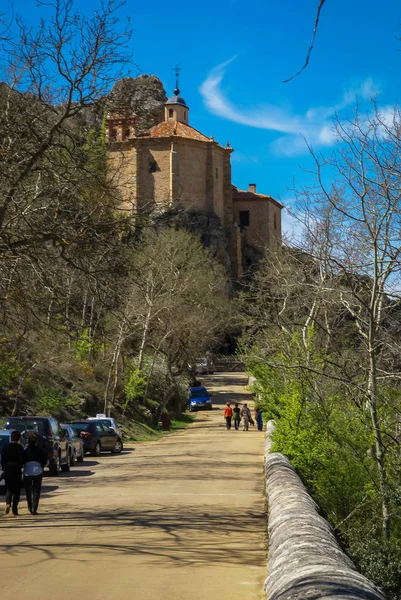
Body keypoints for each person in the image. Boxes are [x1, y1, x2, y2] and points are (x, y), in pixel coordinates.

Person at [23, 433, 47, 515]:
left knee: (28, 490)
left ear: (28, 441)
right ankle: (34, 508)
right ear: (36, 442)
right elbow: (44, 462)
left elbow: (22, 461)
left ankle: (29, 506)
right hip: (38, 471)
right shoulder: (40, 451)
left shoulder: (25, 451)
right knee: (36, 490)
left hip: (27, 472)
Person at [1, 430, 23, 516]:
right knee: (16, 490)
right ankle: (15, 508)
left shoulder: (6, 447)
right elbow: (22, 459)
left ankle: (8, 503)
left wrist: (4, 468)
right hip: (17, 469)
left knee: (9, 488)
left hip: (8, 468)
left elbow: (3, 459)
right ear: (18, 438)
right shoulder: (20, 447)